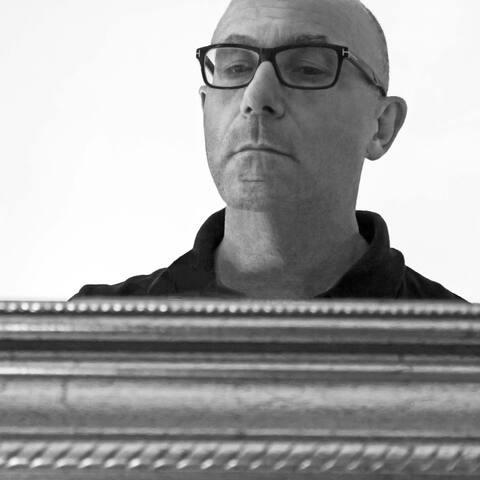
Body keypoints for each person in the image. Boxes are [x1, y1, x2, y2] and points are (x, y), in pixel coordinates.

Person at [70, 0, 464, 301]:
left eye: (308, 68)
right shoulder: (86, 337)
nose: (256, 97)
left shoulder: (464, 349)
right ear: (205, 107)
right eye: (236, 69)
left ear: (382, 126)